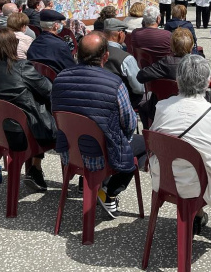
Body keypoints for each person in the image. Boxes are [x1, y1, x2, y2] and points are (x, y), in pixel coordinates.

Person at [151, 54, 211, 246]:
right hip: (199, 184)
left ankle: (197, 216)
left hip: (166, 178)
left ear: (178, 80)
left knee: (194, 158)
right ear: (208, 82)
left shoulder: (161, 107)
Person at [51, 32, 146, 218]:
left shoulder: (60, 78)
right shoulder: (114, 83)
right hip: (101, 155)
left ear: (77, 53)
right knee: (143, 144)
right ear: (105, 56)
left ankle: (89, 182)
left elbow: (56, 112)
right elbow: (129, 123)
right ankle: (109, 192)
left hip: (70, 151)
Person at [0, 28, 56, 192]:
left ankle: (35, 168)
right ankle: (36, 167)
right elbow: (49, 90)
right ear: (13, 46)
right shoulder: (21, 67)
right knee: (46, 112)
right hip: (24, 134)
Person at [136, 27, 195, 127]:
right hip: (191, 110)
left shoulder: (166, 62)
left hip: (163, 107)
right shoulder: (198, 63)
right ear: (192, 46)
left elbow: (141, 76)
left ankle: (148, 132)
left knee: (142, 105)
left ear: (171, 46)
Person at [103, 18, 145, 109]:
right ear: (121, 34)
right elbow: (139, 89)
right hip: (123, 103)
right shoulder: (126, 59)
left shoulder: (95, 52)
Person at [26, 9, 76, 73]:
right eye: (60, 22)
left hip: (37, 80)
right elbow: (71, 69)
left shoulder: (34, 43)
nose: (62, 25)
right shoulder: (61, 46)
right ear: (56, 26)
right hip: (58, 80)